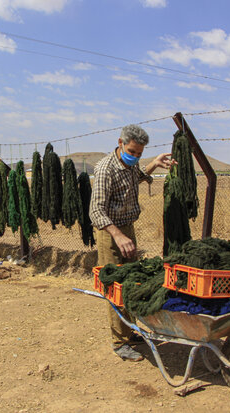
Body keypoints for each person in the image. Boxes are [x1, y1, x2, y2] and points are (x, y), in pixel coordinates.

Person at [89, 124, 175, 361]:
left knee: (132, 282)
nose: (135, 157)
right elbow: (96, 211)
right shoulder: (106, 169)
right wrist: (117, 235)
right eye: (132, 152)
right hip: (110, 233)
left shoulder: (131, 164)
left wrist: (154, 163)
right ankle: (119, 342)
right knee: (115, 286)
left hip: (126, 229)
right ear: (120, 143)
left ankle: (131, 330)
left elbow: (136, 177)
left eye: (139, 153)